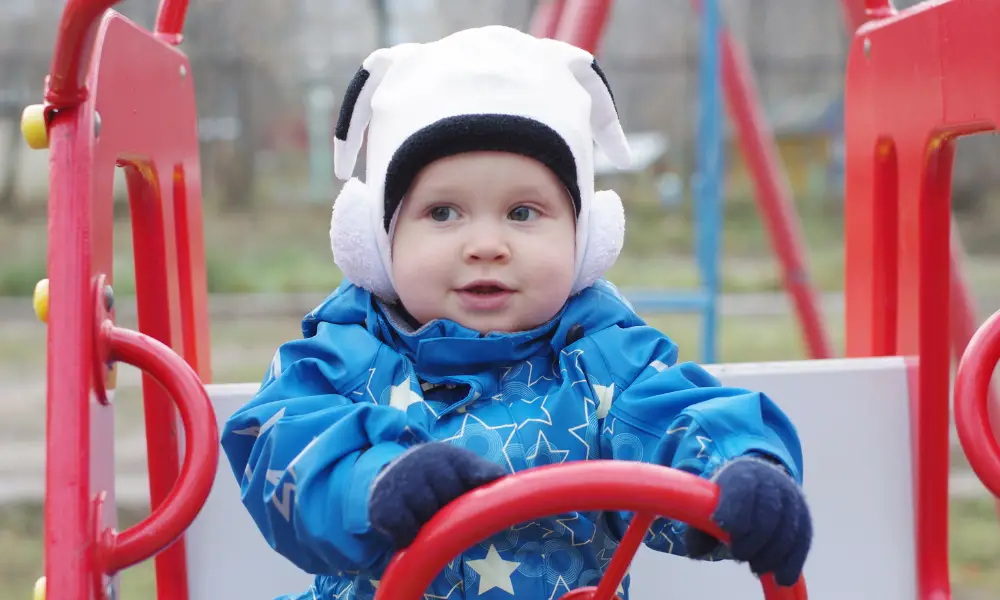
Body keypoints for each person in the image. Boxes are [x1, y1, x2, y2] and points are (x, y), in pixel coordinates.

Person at [220, 25, 812, 600]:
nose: (486, 245)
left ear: (585, 240)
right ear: (376, 240)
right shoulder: (342, 357)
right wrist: (376, 483)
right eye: (444, 213)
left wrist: (741, 469)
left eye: (523, 213)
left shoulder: (608, 363)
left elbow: (686, 417)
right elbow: (281, 446)